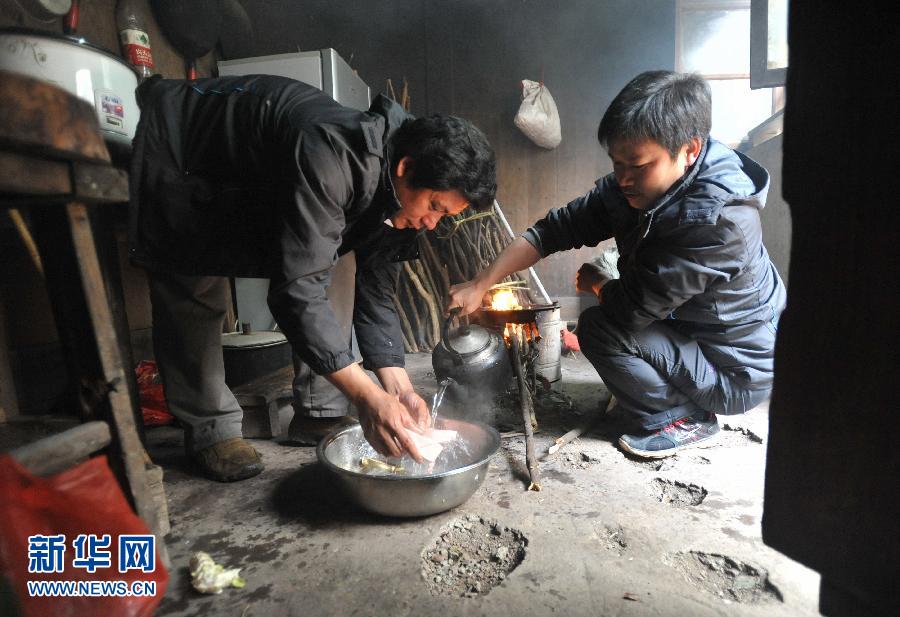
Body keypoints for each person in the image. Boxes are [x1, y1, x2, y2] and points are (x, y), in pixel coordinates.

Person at [129, 74, 497, 481]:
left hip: (259, 186)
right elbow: (296, 292)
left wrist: (398, 386)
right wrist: (364, 394)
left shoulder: (396, 184)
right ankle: (211, 429)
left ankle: (318, 413)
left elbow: (376, 292)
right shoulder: (333, 154)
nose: (431, 223)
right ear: (406, 168)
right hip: (190, 152)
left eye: (444, 216)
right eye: (434, 206)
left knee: (337, 267)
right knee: (194, 284)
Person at [448, 71, 785, 459]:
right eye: (616, 162)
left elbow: (631, 311)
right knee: (607, 320)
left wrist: (597, 282)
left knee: (601, 327)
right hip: (697, 335)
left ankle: (683, 419)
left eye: (637, 165)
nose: (623, 178)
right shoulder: (638, 187)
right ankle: (668, 392)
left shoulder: (717, 222)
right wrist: (480, 283)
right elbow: (553, 230)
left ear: (690, 150)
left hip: (736, 370)